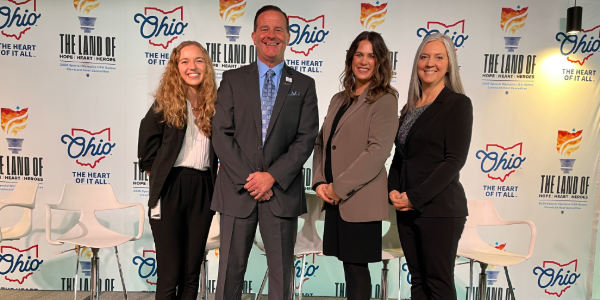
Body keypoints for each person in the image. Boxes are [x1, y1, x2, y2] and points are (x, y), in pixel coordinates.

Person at [210, 5, 319, 300]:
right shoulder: (233, 80)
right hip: (237, 192)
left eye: (279, 30)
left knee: (282, 277)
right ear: (254, 36)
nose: (272, 35)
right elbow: (221, 134)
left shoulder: (304, 85)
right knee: (229, 274)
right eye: (265, 29)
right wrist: (252, 179)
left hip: (280, 194)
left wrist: (271, 177)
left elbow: (306, 138)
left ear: (288, 36)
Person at [312, 31, 398, 300]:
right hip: (335, 198)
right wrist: (319, 182)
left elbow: (377, 152)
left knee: (357, 268)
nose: (364, 61)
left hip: (358, 199)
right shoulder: (339, 99)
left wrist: (339, 188)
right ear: (350, 59)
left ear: (379, 62)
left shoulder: (385, 99)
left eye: (371, 56)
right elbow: (321, 144)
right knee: (348, 267)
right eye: (359, 54)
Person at [388, 32, 473, 300]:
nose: (429, 63)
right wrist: (392, 191)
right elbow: (401, 157)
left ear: (449, 64)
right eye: (424, 57)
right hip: (406, 209)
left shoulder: (458, 104)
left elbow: (454, 161)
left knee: (438, 284)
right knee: (418, 282)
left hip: (439, 210)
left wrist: (415, 197)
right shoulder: (410, 108)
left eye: (438, 57)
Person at [137, 41, 218, 300]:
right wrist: (162, 181)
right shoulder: (165, 104)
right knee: (170, 273)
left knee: (191, 271)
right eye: (185, 61)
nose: (192, 67)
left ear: (207, 65)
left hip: (204, 188)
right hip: (170, 187)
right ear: (176, 67)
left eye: (198, 60)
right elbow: (147, 153)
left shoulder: (216, 106)